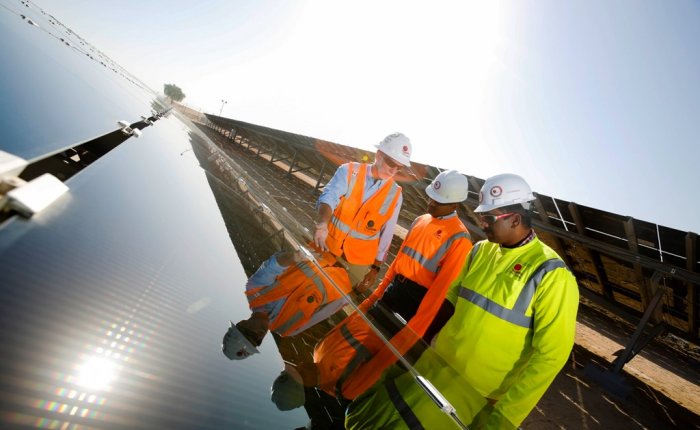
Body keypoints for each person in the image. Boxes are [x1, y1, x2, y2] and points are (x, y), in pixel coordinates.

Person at [345, 173, 580, 429]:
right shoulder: (480, 250)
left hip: (475, 394)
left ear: (515, 219)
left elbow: (550, 356)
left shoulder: (551, 274)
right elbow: (449, 303)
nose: (482, 223)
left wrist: (504, 419)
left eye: (489, 218)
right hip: (434, 366)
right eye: (482, 217)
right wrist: (414, 351)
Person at [313, 170, 473, 401]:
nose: (431, 203)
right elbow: (398, 262)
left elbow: (438, 295)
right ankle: (330, 382)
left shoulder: (460, 239)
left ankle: (345, 393)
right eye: (431, 197)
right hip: (393, 292)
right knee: (357, 340)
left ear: (455, 203)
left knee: (374, 357)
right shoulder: (420, 221)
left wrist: (412, 335)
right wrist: (376, 295)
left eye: (439, 201)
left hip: (413, 307)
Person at [313, 132, 412, 292]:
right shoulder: (349, 171)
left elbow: (386, 234)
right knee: (309, 288)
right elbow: (329, 197)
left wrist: (375, 269)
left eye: (399, 167)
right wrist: (322, 224)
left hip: (358, 262)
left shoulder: (395, 194)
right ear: (379, 155)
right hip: (327, 245)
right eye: (390, 163)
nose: (393, 171)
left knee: (336, 297)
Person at [221, 244, 351, 360]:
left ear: (242, 323)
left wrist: (296, 256)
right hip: (344, 279)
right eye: (257, 342)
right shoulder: (288, 329)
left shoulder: (254, 290)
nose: (259, 336)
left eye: (251, 335)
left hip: (325, 249)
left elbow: (274, 265)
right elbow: (324, 312)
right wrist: (350, 295)